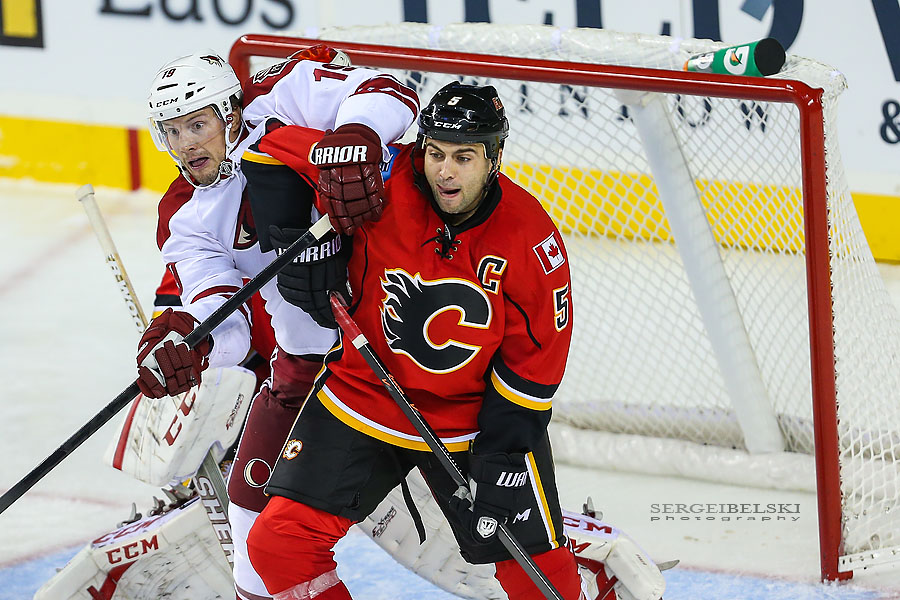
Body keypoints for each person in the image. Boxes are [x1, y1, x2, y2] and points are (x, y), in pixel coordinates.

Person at [243, 82, 633, 600]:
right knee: (279, 545)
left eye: (464, 157)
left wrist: (500, 458)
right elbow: (265, 150)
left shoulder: (530, 238)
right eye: (435, 153)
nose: (445, 170)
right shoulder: (382, 178)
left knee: (541, 584)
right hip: (363, 393)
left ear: (494, 158)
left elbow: (535, 367)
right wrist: (294, 241)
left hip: (473, 423)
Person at [134, 46, 419, 600]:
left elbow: (393, 90)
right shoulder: (184, 217)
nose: (187, 142)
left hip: (398, 340)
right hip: (306, 370)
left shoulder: (283, 97)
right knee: (247, 517)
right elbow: (230, 319)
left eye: (198, 123)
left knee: (479, 517)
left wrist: (356, 133)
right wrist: (190, 345)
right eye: (172, 131)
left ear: (231, 111)